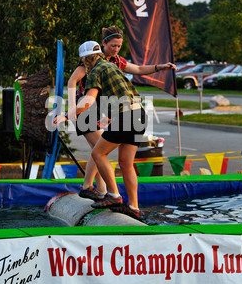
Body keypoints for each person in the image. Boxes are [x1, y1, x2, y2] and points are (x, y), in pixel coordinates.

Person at [54, 42, 176, 218]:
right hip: (139, 114)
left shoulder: (95, 71)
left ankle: (113, 196)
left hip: (125, 116)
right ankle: (134, 208)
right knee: (126, 163)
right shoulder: (112, 66)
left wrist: (66, 114)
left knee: (97, 154)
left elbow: (88, 100)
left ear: (86, 60)